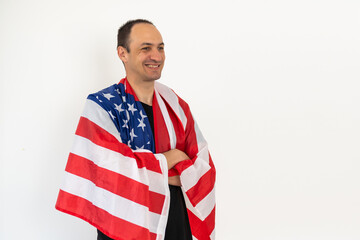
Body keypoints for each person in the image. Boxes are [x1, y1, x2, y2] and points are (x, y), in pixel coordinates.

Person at [56, 19, 216, 240]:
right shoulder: (102, 106)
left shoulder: (176, 107)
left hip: (175, 227)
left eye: (160, 48)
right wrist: (170, 160)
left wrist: (144, 167)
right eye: (145, 48)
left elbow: (202, 166)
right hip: (123, 228)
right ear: (123, 53)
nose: (157, 56)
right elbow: (106, 175)